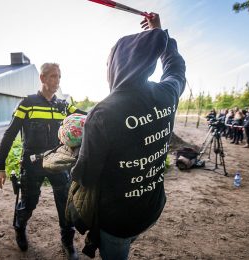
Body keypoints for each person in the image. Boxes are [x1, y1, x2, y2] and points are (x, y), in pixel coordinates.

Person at [70, 13, 185, 260]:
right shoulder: (167, 93)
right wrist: (161, 36)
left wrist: (72, 148)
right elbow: (176, 68)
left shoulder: (102, 113)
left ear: (116, 64)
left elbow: (86, 175)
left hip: (119, 221)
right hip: (153, 207)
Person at [0, 63, 85, 260]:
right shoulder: (27, 103)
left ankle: (67, 241)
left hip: (59, 162)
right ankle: (19, 227)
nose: (57, 80)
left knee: (65, 204)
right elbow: (9, 135)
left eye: (59, 76)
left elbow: (86, 117)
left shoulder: (64, 105)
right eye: (53, 76)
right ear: (42, 78)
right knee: (29, 203)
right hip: (32, 163)